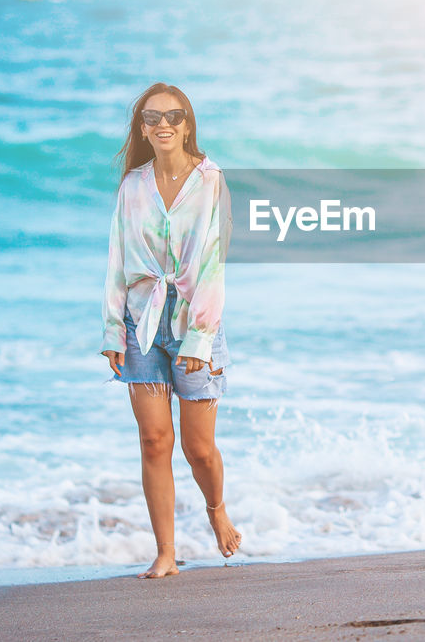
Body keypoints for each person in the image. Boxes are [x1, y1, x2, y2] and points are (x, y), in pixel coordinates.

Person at [99, 82, 241, 577]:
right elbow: (117, 260)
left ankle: (216, 510)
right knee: (154, 440)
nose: (163, 125)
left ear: (188, 124)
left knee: (198, 447)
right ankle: (165, 552)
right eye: (152, 117)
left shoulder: (211, 181)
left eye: (174, 116)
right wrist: (113, 330)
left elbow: (213, 265)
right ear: (141, 126)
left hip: (193, 322)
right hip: (142, 323)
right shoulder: (132, 185)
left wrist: (200, 340)